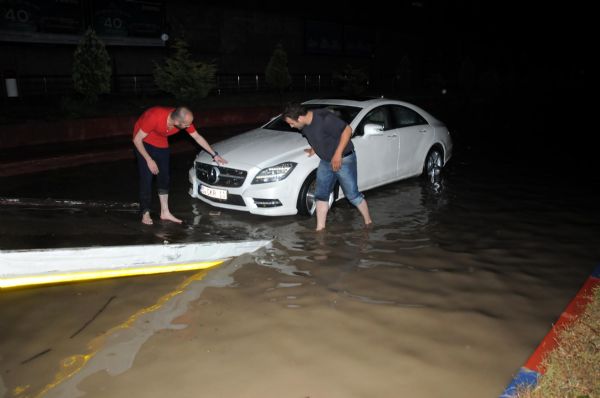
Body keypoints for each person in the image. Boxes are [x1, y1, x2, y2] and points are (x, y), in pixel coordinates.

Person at [283, 103, 372, 231]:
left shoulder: (324, 119)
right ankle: (320, 229)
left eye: (292, 123)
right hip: (326, 161)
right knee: (321, 194)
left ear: (300, 118)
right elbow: (320, 136)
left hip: (344, 159)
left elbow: (348, 130)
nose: (291, 126)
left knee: (352, 195)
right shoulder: (305, 123)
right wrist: (315, 148)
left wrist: (337, 154)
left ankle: (368, 223)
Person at [132, 106, 226, 225]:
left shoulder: (182, 119)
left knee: (164, 177)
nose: (189, 126)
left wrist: (214, 155)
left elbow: (197, 136)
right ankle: (145, 212)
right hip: (143, 140)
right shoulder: (155, 116)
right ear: (176, 122)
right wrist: (149, 159)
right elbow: (136, 140)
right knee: (147, 177)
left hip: (160, 140)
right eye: (186, 124)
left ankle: (165, 212)